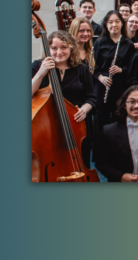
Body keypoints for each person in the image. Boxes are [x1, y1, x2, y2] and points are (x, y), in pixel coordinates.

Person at [32, 30, 96, 164]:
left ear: (71, 48)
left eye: (64, 47)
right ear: (47, 49)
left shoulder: (81, 69)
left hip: (76, 126)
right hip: (46, 128)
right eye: (54, 48)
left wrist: (84, 110)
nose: (59, 52)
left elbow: (91, 98)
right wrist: (40, 74)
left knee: (80, 163)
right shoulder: (38, 66)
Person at [94, 86, 138, 182]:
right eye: (132, 101)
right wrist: (121, 176)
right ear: (124, 105)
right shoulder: (108, 131)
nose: (136, 105)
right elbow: (101, 163)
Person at [92, 11, 136, 130]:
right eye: (110, 22)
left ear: (122, 24)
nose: (114, 25)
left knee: (119, 120)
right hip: (102, 87)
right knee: (100, 121)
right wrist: (101, 77)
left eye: (117, 21)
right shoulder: (99, 43)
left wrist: (121, 69)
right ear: (106, 25)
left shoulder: (128, 44)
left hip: (120, 88)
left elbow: (132, 68)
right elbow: (93, 69)